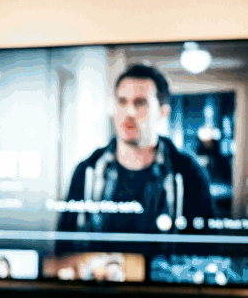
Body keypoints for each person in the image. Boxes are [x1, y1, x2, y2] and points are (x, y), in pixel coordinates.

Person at [56, 64, 212, 250]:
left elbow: (206, 249)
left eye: (140, 103)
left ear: (163, 112)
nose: (128, 112)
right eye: (122, 101)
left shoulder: (187, 173)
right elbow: (63, 246)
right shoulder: (88, 170)